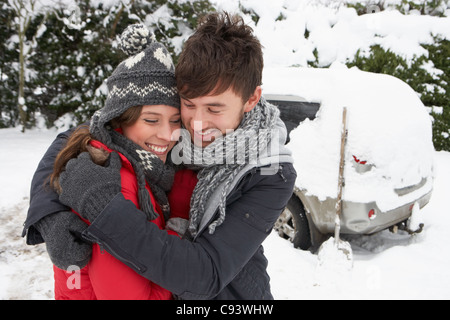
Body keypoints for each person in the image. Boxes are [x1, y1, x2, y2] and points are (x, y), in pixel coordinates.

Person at [23, 12, 297, 300]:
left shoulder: (269, 171)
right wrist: (51, 213)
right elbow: (80, 137)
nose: (198, 124)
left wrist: (101, 208)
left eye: (214, 109)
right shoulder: (174, 132)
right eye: (188, 105)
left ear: (251, 99)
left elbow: (205, 275)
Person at [30, 24, 193, 299]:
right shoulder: (110, 186)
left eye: (175, 121)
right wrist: (177, 239)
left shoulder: (137, 165)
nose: (167, 134)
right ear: (120, 119)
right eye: (151, 120)